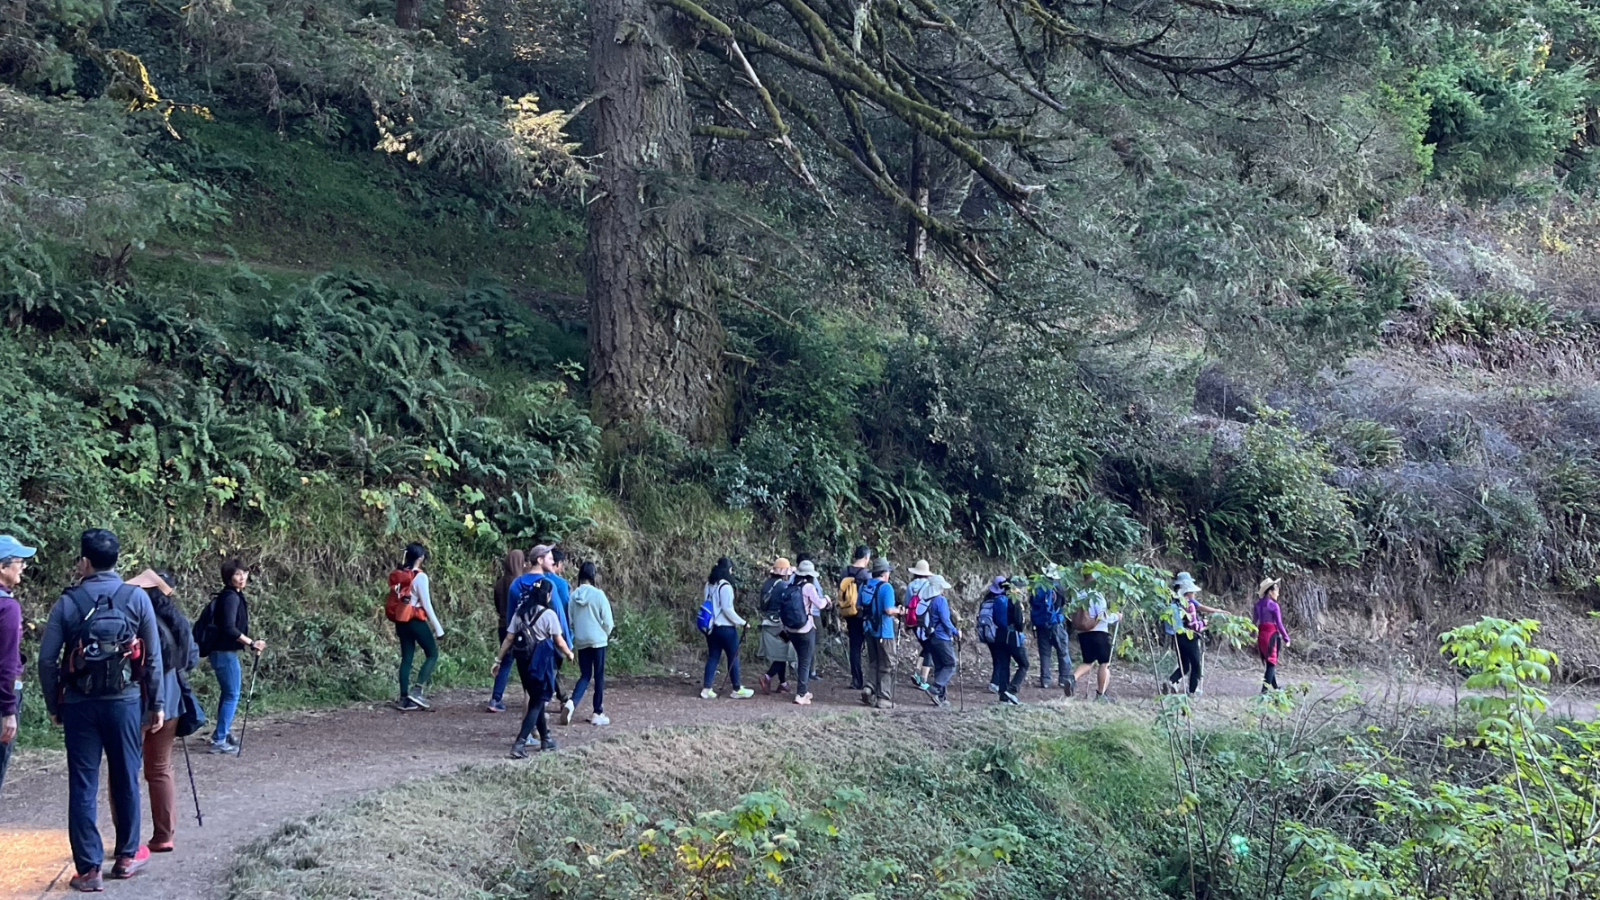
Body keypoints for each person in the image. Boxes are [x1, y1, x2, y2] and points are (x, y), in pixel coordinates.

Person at [38, 529, 164, 890]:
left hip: (80, 704)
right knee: (126, 775)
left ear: (85, 562)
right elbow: (152, 658)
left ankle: (89, 869)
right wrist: (155, 703)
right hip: (124, 702)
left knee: (82, 783)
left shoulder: (68, 602)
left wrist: (54, 703)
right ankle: (126, 857)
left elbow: (47, 660)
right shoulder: (136, 598)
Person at [125, 569, 198, 853]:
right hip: (172, 701)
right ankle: (163, 835)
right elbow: (190, 659)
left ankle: (126, 841)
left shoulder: (132, 618)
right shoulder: (175, 621)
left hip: (137, 702)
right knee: (160, 768)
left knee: (125, 770)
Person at [490, 579, 573, 757]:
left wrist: (498, 660)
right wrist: (569, 654)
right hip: (540, 662)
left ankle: (546, 739)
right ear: (547, 595)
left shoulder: (520, 614)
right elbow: (559, 640)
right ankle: (519, 744)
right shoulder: (549, 614)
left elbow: (508, 639)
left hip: (522, 662)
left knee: (537, 698)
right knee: (537, 701)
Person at [200, 558, 264, 754]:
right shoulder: (231, 598)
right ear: (229, 577)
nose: (242, 577)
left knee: (229, 694)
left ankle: (222, 732)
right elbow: (228, 628)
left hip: (223, 653)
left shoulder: (233, 595)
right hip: (223, 653)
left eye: (244, 573)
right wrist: (252, 643)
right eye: (237, 574)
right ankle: (219, 739)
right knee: (232, 694)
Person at [0, 535, 36, 797]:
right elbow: (7, 664)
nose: (22, 566)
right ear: (3, 567)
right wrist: (9, 710)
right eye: (19, 561)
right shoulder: (8, 608)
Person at [392, 543, 444, 711]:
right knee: (432, 654)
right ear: (420, 558)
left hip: (400, 620)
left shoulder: (399, 574)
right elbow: (426, 605)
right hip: (415, 620)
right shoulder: (420, 577)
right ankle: (417, 690)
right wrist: (438, 628)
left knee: (407, 658)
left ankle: (404, 698)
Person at [1163, 572, 1229, 695]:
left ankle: (1171, 681)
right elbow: (1194, 625)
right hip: (1190, 637)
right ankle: (1192, 691)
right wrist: (1204, 623)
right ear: (1187, 592)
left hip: (1177, 636)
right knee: (1195, 665)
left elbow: (1199, 608)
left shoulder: (1175, 601)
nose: (1194, 594)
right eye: (1192, 592)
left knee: (1184, 665)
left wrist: (1217, 611)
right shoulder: (1190, 606)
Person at [569, 561, 615, 724]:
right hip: (598, 641)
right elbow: (608, 621)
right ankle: (597, 712)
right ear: (593, 576)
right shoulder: (599, 595)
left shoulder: (573, 596)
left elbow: (571, 621)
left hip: (582, 641)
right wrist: (604, 634)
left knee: (585, 674)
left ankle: (571, 702)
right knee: (599, 676)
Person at [701, 557, 754, 699]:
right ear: (727, 570)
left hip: (711, 627)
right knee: (733, 656)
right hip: (726, 629)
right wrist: (743, 622)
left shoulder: (709, 585)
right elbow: (727, 609)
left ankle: (706, 688)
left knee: (713, 656)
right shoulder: (725, 586)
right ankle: (736, 688)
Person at [1069, 572, 1121, 702]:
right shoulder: (1096, 595)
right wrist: (1116, 617)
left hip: (1083, 633)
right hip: (1099, 633)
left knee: (1088, 662)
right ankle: (1100, 695)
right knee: (1104, 664)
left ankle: (1072, 678)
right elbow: (1103, 615)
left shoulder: (1077, 594)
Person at [486, 548, 526, 712]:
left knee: (505, 661)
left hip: (502, 625)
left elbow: (496, 604)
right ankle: (499, 698)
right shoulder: (520, 583)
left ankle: (496, 698)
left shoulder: (500, 582)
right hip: (517, 627)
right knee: (524, 662)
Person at [785, 560, 830, 705]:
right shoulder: (808, 587)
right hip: (805, 628)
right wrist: (827, 599)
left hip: (791, 629)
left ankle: (803, 689)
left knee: (801, 658)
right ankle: (801, 694)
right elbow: (820, 604)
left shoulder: (791, 586)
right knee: (805, 661)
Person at [860, 558, 900, 709]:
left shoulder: (865, 585)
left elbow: (859, 606)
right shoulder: (886, 587)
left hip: (868, 629)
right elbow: (889, 610)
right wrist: (900, 611)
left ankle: (869, 688)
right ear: (884, 573)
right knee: (888, 664)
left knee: (873, 661)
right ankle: (883, 698)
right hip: (884, 631)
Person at [982, 577, 1028, 704]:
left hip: (999, 635)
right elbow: (1019, 622)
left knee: (1004, 665)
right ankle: (1012, 689)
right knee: (1024, 664)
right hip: (1012, 636)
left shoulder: (998, 599)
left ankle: (1003, 695)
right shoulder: (1015, 601)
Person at [547, 548, 578, 724]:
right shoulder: (560, 584)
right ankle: (560, 698)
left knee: (550, 665)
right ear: (557, 564)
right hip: (557, 629)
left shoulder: (535, 580)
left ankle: (560, 696)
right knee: (553, 667)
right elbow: (566, 608)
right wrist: (569, 636)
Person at [757, 558, 798, 694]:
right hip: (778, 625)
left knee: (781, 651)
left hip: (767, 622)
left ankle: (783, 683)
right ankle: (767, 676)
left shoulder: (767, 583)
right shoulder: (783, 585)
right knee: (786, 651)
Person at [919, 574, 960, 707]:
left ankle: (940, 697)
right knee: (950, 664)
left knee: (940, 666)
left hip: (931, 637)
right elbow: (945, 620)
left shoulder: (928, 600)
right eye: (942, 587)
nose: (944, 590)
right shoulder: (940, 601)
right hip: (942, 637)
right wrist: (955, 631)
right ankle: (935, 689)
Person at [1031, 571, 1071, 691]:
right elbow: (1062, 605)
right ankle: (1064, 679)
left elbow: (1032, 603)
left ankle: (1045, 680)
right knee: (1062, 651)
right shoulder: (1058, 588)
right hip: (1055, 623)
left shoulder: (1038, 587)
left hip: (1040, 624)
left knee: (1045, 653)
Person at [839, 545, 872, 691]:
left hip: (848, 613)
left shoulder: (844, 571)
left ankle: (856, 680)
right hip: (862, 614)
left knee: (854, 647)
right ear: (866, 557)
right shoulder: (866, 575)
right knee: (871, 647)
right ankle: (870, 681)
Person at [1253, 578, 1291, 691]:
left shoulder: (1258, 604)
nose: (1278, 593)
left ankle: (1275, 688)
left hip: (1261, 635)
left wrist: (1252, 635)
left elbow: (1254, 621)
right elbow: (1279, 623)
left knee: (1269, 662)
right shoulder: (1274, 605)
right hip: (1272, 635)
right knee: (1271, 664)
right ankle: (1264, 692)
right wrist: (1286, 637)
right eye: (1276, 590)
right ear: (1270, 591)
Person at [905, 560, 934, 691]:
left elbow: (907, 602)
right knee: (930, 649)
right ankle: (923, 679)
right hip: (926, 621)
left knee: (926, 647)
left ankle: (917, 672)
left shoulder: (910, 585)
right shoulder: (929, 585)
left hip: (914, 620)